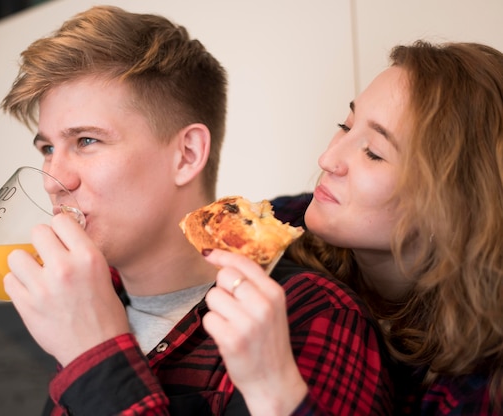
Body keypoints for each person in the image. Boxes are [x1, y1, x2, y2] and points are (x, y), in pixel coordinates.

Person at [0, 5, 392, 415]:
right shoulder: (83, 301)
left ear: (187, 155)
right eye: (47, 148)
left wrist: (95, 357)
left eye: (86, 141)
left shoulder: (309, 315)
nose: (52, 178)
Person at [213, 40, 503, 414]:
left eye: (373, 153)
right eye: (344, 126)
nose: (327, 158)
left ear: (453, 206)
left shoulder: (482, 381)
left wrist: (275, 390)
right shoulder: (283, 223)